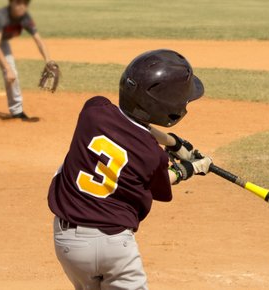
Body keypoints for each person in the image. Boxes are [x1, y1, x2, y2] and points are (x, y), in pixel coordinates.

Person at [47, 49, 213, 289]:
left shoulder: (94, 111)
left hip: (68, 244)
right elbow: (163, 182)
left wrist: (174, 143)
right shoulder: (151, 155)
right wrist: (189, 169)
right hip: (114, 246)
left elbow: (128, 124)